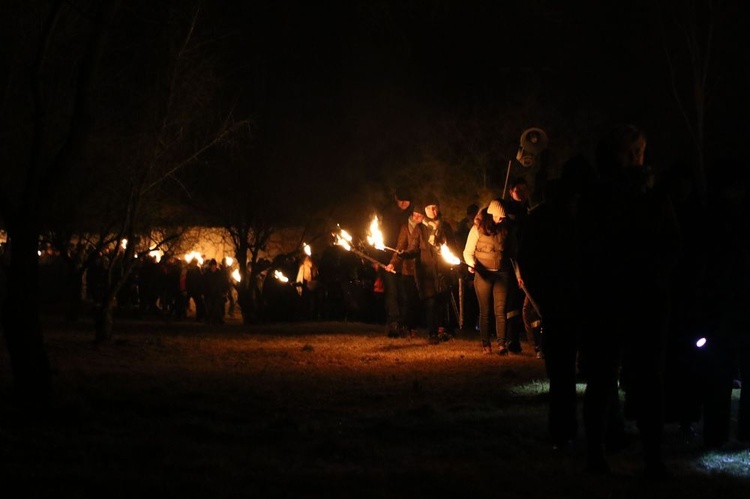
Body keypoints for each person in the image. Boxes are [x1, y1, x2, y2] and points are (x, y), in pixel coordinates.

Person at [577, 124, 681, 478]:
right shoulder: (602, 196)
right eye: (632, 151)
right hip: (612, 296)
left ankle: (651, 457)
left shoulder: (649, 193)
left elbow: (670, 243)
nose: (639, 158)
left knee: (647, 378)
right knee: (606, 377)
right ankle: (597, 454)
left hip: (645, 296)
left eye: (641, 150)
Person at [516, 154, 594, 451]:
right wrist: (545, 299)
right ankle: (570, 431)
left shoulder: (583, 216)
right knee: (567, 373)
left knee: (575, 372)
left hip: (575, 301)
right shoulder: (554, 218)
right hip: (565, 302)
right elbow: (529, 263)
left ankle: (574, 431)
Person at [463, 200, 520, 355]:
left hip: (502, 274)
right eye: (497, 217)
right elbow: (467, 252)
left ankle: (502, 344)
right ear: (490, 214)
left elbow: (513, 255)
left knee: (500, 310)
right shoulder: (478, 228)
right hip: (483, 275)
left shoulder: (506, 230)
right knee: (485, 310)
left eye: (502, 217)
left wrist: (518, 275)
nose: (500, 219)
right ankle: (486, 344)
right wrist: (471, 263)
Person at [386, 200, 425, 339]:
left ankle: (416, 327)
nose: (416, 218)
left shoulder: (425, 229)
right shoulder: (405, 227)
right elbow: (400, 248)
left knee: (418, 300)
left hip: (422, 270)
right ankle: (408, 328)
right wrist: (393, 263)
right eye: (414, 215)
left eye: (419, 216)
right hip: (408, 270)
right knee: (407, 300)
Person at [378, 187, 413, 337]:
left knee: (404, 292)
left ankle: (404, 323)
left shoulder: (411, 214)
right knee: (392, 292)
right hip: (388, 257)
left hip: (406, 259)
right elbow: (382, 236)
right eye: (401, 201)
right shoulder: (388, 214)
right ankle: (393, 322)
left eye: (407, 201)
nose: (404, 204)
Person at [504, 177, 532, 354]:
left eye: (524, 189)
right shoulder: (508, 210)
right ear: (511, 191)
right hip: (512, 261)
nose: (521, 193)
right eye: (517, 190)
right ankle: (512, 339)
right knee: (513, 302)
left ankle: (535, 340)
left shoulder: (530, 208)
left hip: (529, 259)